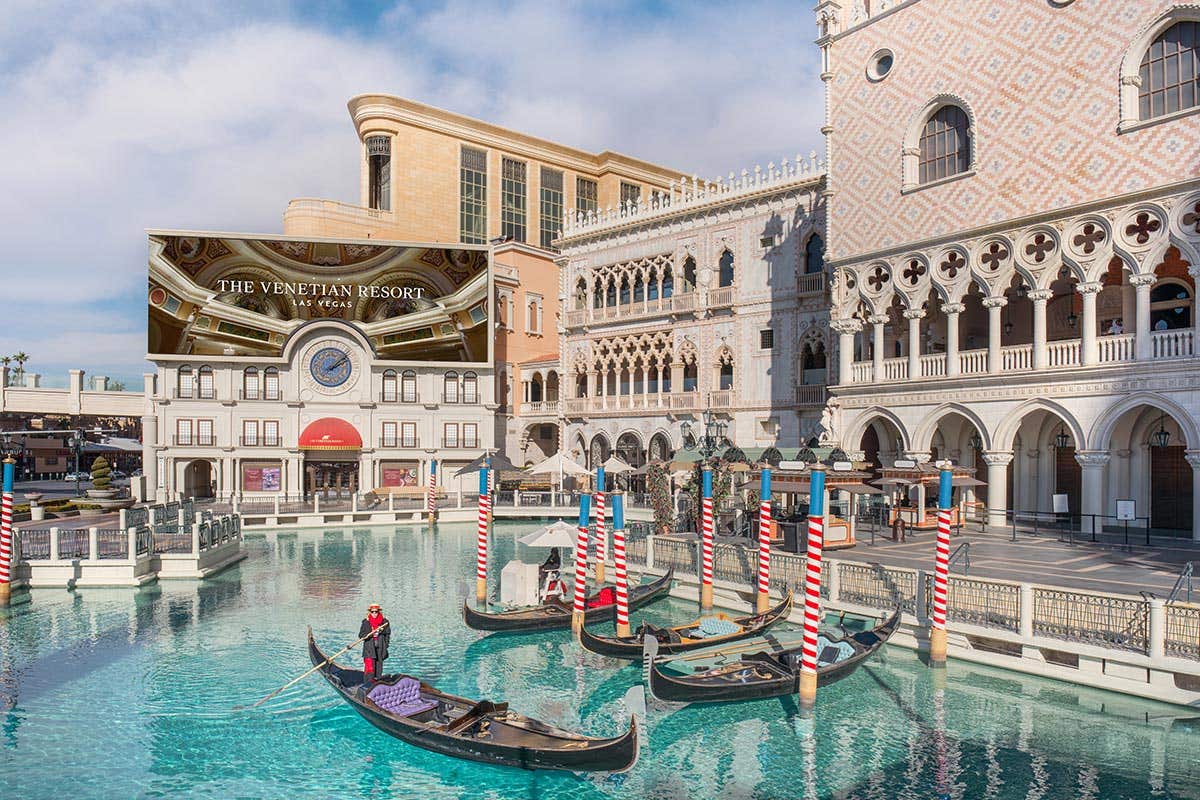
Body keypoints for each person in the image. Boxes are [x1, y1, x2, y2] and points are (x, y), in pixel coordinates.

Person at [358, 603, 390, 683]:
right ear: (370, 612)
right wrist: (368, 635)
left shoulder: (384, 622)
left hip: (380, 648)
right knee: (370, 668)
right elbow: (361, 635)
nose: (374, 614)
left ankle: (377, 685)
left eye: (376, 612)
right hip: (369, 649)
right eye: (373, 612)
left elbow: (387, 634)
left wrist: (386, 645)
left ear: (379, 612)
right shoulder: (366, 622)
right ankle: (368, 685)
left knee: (379, 668)